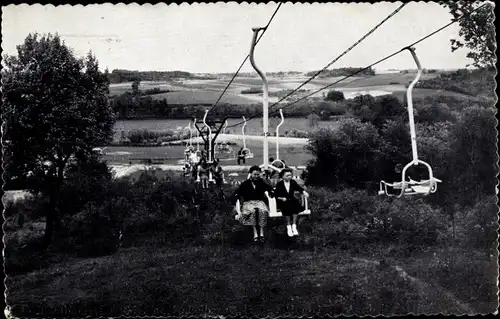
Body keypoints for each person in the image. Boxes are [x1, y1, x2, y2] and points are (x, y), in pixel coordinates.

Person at [235, 165, 274, 242]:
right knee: (252, 212)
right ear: (250, 174)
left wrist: (271, 191)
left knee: (263, 211)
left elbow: (269, 188)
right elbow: (238, 193)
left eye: (257, 174)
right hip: (248, 202)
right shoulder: (245, 184)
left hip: (259, 202)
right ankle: (255, 232)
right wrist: (237, 202)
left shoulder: (261, 182)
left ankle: (261, 232)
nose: (256, 176)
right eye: (254, 174)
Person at [274, 168, 309, 237]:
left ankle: (294, 225)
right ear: (282, 176)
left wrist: (304, 191)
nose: (289, 177)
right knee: (287, 207)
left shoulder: (292, 182)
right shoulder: (279, 184)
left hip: (291, 200)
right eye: (287, 176)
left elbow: (298, 188)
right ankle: (288, 226)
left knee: (295, 205)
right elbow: (276, 195)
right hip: (283, 201)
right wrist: (281, 198)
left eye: (290, 175)